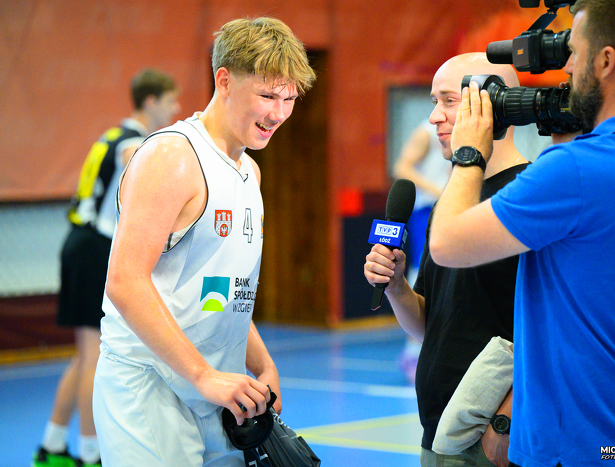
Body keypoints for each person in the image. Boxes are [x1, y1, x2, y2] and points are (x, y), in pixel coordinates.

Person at [428, 1, 615, 466]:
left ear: (606, 61)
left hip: (580, 448)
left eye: (574, 51)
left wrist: (469, 152)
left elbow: (447, 243)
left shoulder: (576, 171)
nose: (567, 67)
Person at [92, 17, 315, 467]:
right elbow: (124, 281)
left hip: (218, 390)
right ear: (224, 80)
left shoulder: (250, 172)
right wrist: (201, 375)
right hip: (150, 385)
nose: (278, 114)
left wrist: (263, 364)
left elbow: (224, 291)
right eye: (267, 96)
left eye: (289, 99)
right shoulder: (173, 156)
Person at [365, 52, 529, 467]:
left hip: (490, 437)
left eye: (449, 101)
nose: (434, 116)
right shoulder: (448, 206)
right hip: (439, 431)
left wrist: (505, 421)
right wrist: (397, 287)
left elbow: (555, 331)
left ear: (494, 105)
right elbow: (428, 325)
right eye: (433, 101)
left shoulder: (528, 196)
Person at [33, 68, 180, 467]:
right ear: (151, 101)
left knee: (85, 354)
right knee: (94, 356)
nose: (176, 108)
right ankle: (91, 454)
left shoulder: (109, 136)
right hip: (95, 249)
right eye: (171, 101)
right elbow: (144, 177)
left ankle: (52, 445)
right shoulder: (132, 144)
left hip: (79, 244)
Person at [392, 120, 451, 383]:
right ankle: (412, 352)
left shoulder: (470, 129)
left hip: (452, 208)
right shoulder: (427, 132)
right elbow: (401, 167)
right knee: (422, 275)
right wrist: (438, 189)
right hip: (428, 210)